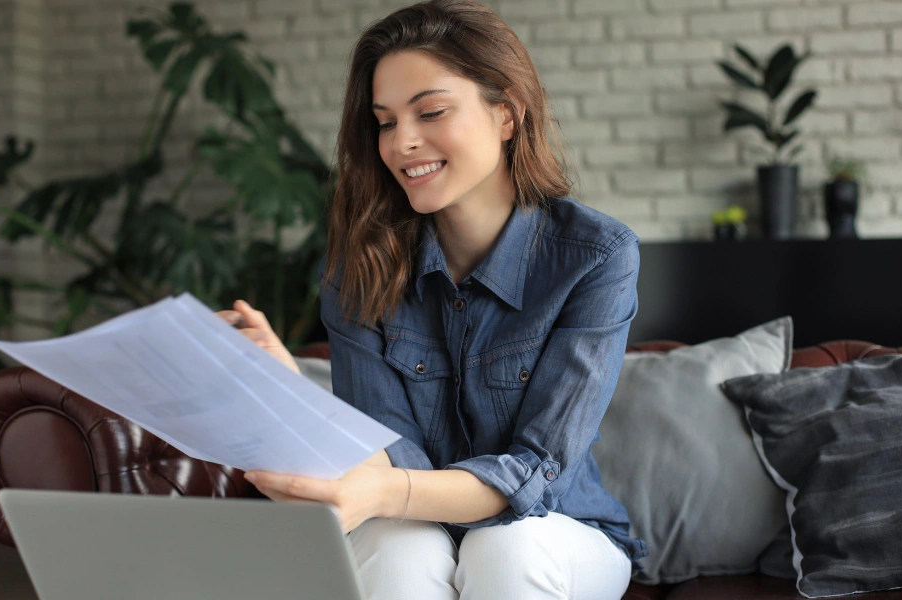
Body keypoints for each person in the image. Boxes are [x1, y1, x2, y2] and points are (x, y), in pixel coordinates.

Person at [220, 1, 646, 598]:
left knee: (505, 547)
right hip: (413, 524)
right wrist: (290, 393)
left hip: (560, 529)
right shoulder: (356, 269)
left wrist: (387, 491)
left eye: (431, 112)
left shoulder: (597, 256)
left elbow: (536, 473)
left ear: (506, 114)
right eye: (385, 122)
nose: (402, 143)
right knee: (397, 549)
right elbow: (384, 455)